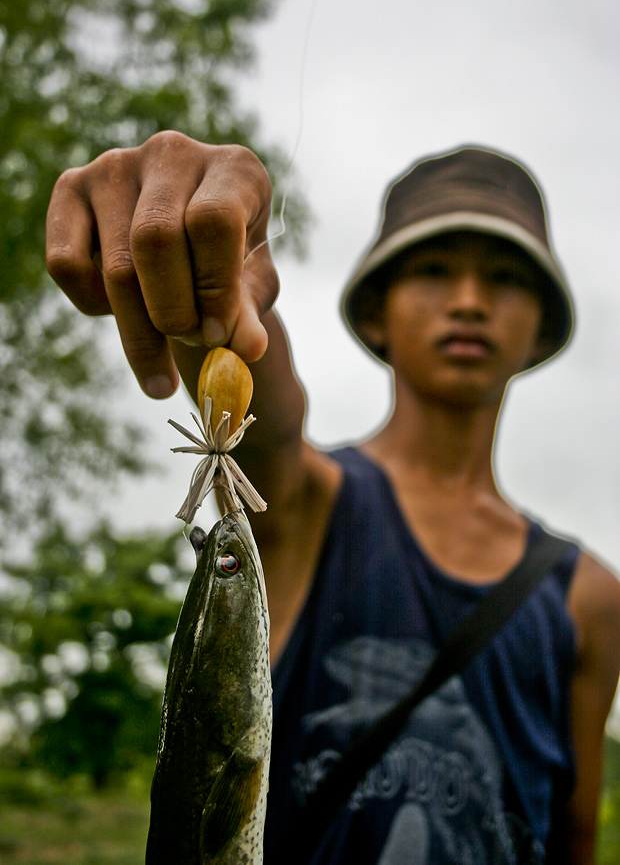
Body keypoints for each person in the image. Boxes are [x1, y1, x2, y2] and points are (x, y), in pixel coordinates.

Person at [46, 133, 620, 864]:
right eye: (436, 271)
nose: (470, 302)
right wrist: (210, 260)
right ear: (378, 312)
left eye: (505, 278)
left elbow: (572, 840)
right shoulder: (304, 504)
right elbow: (260, 399)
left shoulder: (588, 600)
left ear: (540, 327)